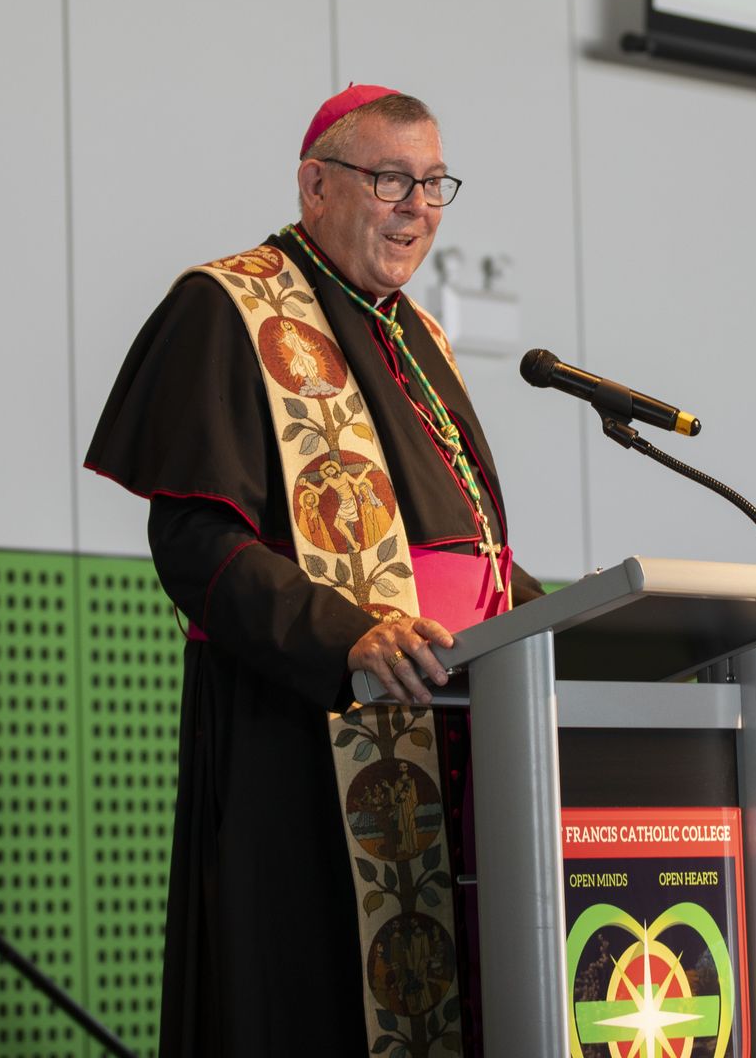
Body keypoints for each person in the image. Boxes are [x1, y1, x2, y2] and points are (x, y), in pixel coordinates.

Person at [85, 85, 546, 1058]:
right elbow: (194, 541)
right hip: (302, 731)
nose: (416, 206)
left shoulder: (419, 337)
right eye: (390, 179)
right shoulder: (230, 303)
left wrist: (571, 618)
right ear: (316, 184)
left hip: (460, 729)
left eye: (434, 183)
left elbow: (465, 554)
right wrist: (348, 637)